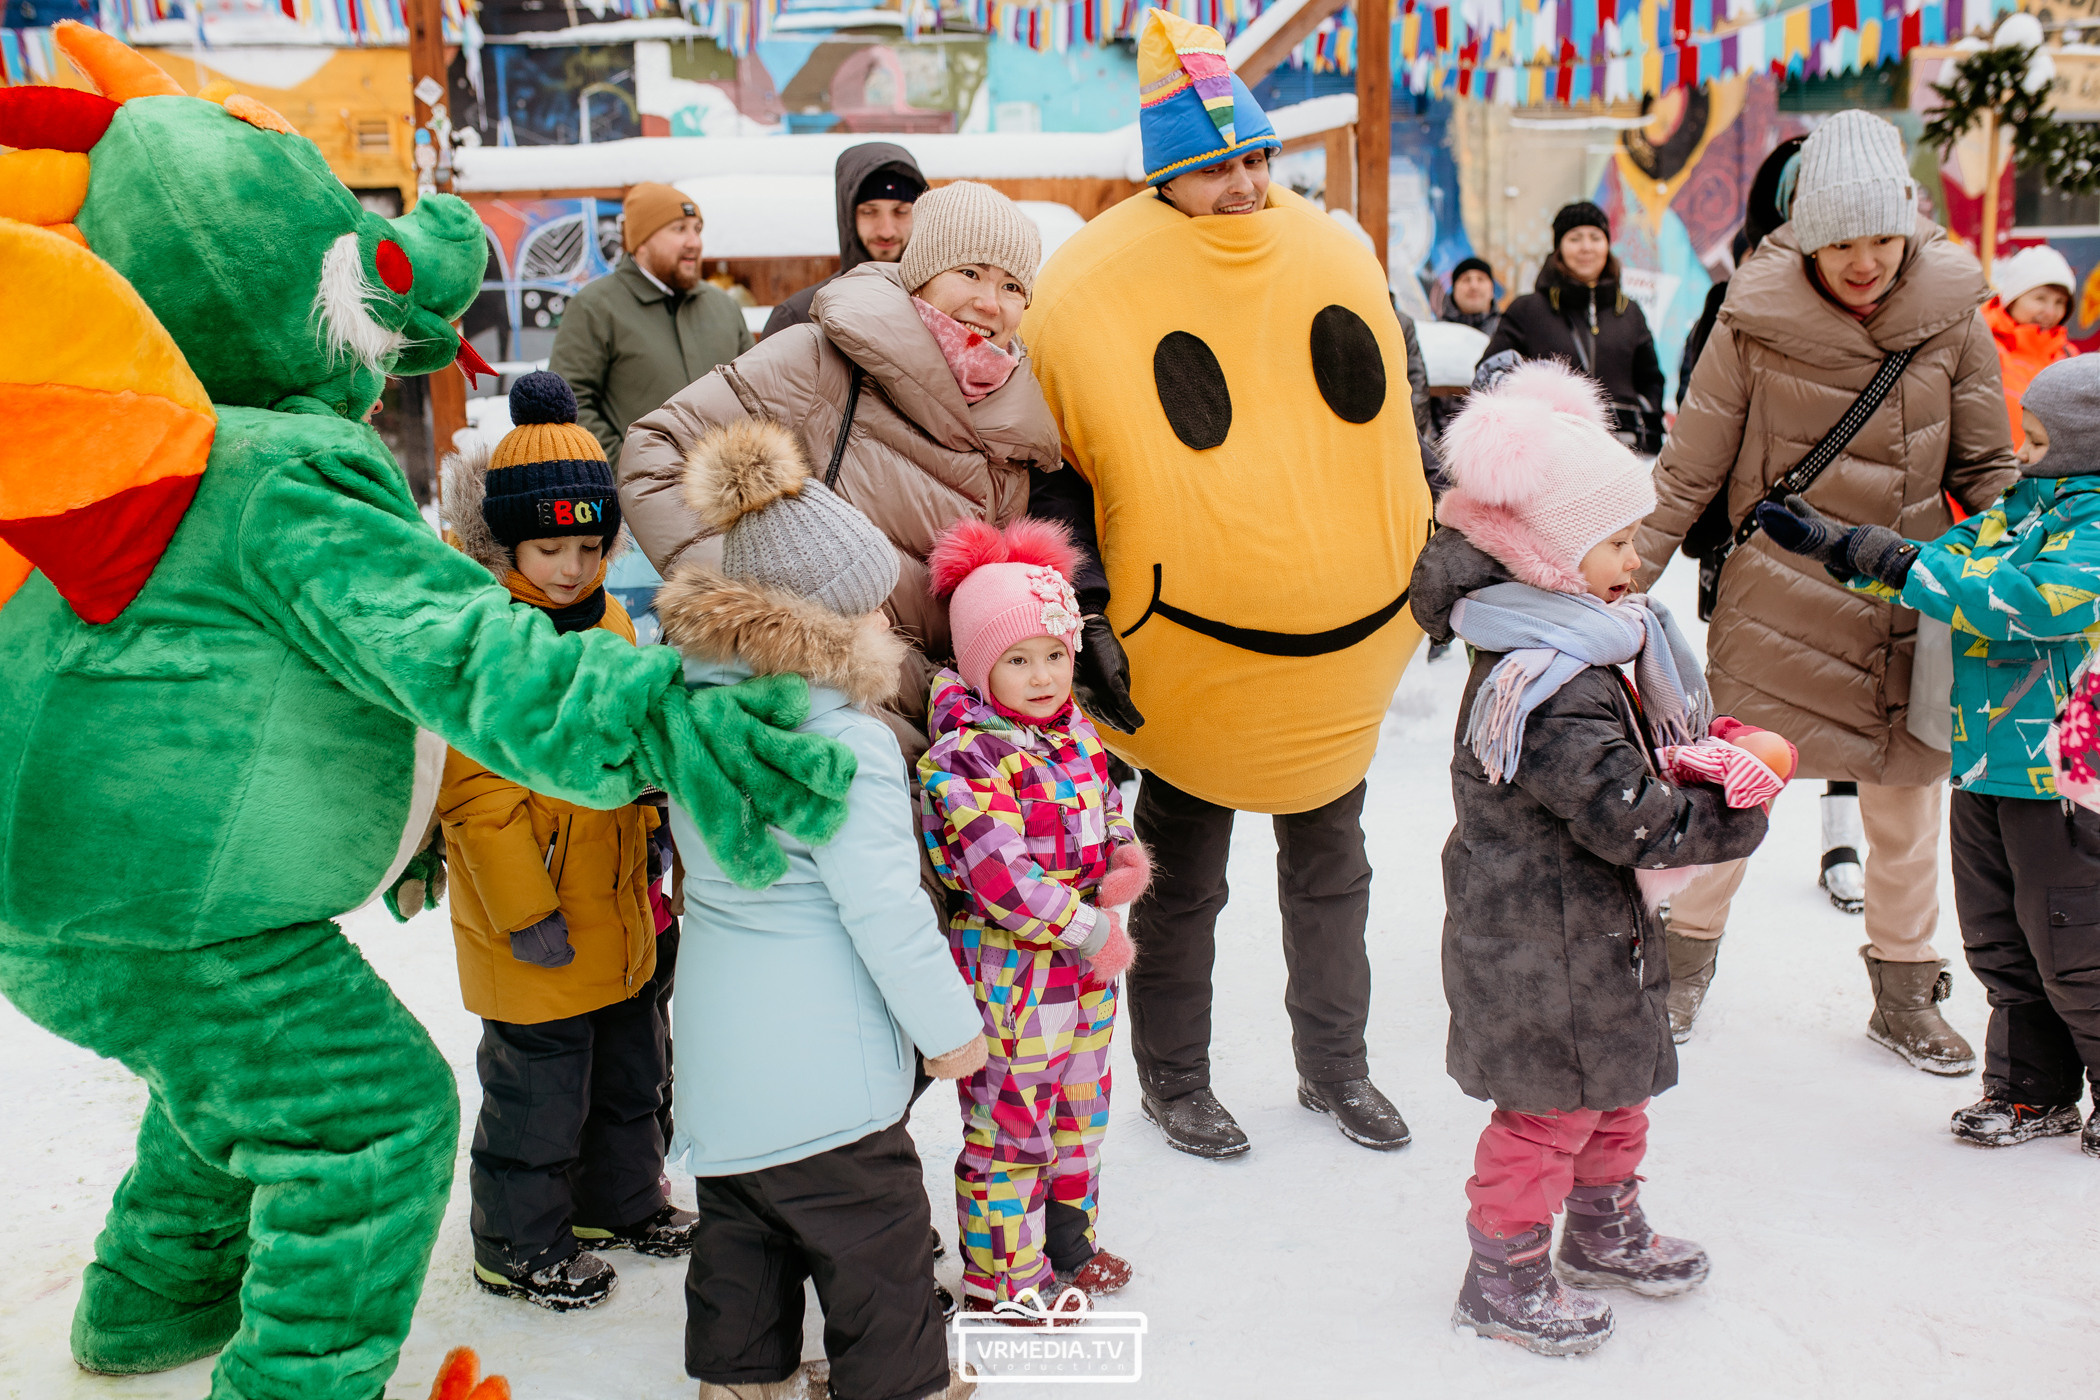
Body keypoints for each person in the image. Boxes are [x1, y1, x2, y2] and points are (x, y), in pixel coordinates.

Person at [0, 23, 853, 1396]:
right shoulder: (272, 472)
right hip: (173, 912)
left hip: (68, 905)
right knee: (369, 1118)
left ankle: (145, 1307)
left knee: (227, 1091)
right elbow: (466, 652)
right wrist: (668, 720)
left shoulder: (116, 459)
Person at [1019, 7, 1434, 1160]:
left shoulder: (1328, 254)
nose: (1246, 185)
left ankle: (1336, 1066)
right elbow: (1062, 479)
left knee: (1331, 872)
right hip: (1190, 659)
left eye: (1256, 158)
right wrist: (1089, 609)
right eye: (1215, 168)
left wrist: (1428, 544)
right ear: (1168, 177)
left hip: (1328, 652)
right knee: (1180, 880)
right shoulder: (1096, 289)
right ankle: (1175, 1075)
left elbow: (1392, 424)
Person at [1632, 109, 2021, 1062]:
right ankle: (1678, 970)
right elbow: (1691, 470)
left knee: (1905, 809)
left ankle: (1905, 991)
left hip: (1905, 599)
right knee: (1735, 794)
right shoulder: (1750, 320)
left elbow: (1990, 472)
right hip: (1779, 601)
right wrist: (1619, 577)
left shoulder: (1951, 320)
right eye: (1841, 241)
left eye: (1882, 238)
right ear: (1805, 232)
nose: (1864, 261)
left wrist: (2041, 574)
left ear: (1910, 225)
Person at [1409, 360, 1773, 1356]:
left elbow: (1634, 770)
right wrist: (1728, 805)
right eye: (1614, 541)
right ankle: (1505, 1271)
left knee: (1614, 1088)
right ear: (1543, 554)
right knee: (1543, 1117)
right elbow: (1626, 815)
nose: (1637, 561)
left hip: (1589, 934)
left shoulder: (1593, 645)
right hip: (1539, 940)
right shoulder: (1546, 678)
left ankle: (1605, 1227)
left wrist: (1697, 751)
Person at [654, 421, 987, 1400]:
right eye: (877, 608)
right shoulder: (845, 744)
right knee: (877, 1242)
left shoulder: (698, 713)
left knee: (742, 1230)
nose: (891, 624)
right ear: (828, 628)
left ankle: (737, 1379)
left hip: (719, 1050)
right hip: (826, 1067)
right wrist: (951, 1030)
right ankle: (900, 1383)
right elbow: (884, 909)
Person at [1760, 355, 2100, 1159]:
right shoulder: (2022, 508)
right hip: (1985, 762)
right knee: (1999, 941)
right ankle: (2030, 1092)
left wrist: (1905, 567)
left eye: (2041, 440)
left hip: (2063, 775)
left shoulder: (2092, 531)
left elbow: (2022, 604)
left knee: (2076, 945)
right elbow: (1942, 571)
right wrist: (1844, 546)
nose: (2022, 452)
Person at [619, 179, 1061, 765]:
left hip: (934, 738)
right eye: (971, 272)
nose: (991, 302)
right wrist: (777, 614)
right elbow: (656, 452)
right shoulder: (821, 361)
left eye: (1011, 286)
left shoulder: (1014, 435)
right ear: (921, 273)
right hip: (794, 705)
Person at [435, 372, 696, 1311]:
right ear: (506, 541)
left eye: (591, 545)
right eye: (549, 547)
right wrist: (524, 908)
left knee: (633, 1071)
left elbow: (628, 743)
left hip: (622, 902)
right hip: (536, 917)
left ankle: (618, 1201)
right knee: (537, 1097)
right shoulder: (491, 640)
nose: (571, 567)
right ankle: (517, 1243)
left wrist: (656, 821)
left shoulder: (616, 617)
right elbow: (473, 795)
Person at [917, 519, 1148, 1310]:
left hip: (1085, 967)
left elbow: (1107, 808)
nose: (1043, 675)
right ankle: (1003, 1280)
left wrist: (1123, 857)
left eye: (1054, 654)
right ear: (981, 665)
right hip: (1013, 973)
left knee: (1082, 1110)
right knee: (1013, 1123)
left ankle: (1068, 1243)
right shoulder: (963, 756)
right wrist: (1087, 929)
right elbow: (1001, 878)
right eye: (1017, 660)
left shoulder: (1074, 731)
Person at [549, 182, 754, 463]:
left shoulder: (724, 308)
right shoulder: (595, 306)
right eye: (679, 228)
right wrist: (629, 470)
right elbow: (570, 405)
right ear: (641, 241)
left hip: (728, 492)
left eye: (697, 229)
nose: (694, 242)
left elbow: (755, 395)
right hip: (635, 498)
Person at [1482, 201, 1666, 454]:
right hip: (1552, 453)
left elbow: (1651, 379)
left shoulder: (1629, 311)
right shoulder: (1527, 310)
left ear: (1607, 246)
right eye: (1575, 238)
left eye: (1595, 237)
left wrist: (1641, 410)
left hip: (1623, 451)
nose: (1586, 247)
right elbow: (1492, 373)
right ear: (1558, 248)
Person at [763, 142, 926, 337]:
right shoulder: (798, 319)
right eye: (869, 212)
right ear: (848, 216)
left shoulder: (942, 309)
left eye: (901, 212)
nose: (887, 231)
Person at [1985, 243, 2080, 442]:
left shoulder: (2070, 358)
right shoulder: (1982, 346)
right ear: (2013, 299)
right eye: (2040, 298)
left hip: (2055, 473)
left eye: (2059, 302)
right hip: (1995, 470)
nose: (2050, 312)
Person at [1442, 256, 1502, 337]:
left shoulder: (1509, 331)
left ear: (1492, 289)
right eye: (1466, 280)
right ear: (1454, 290)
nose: (1474, 286)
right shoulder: (1434, 334)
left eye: (1480, 279)